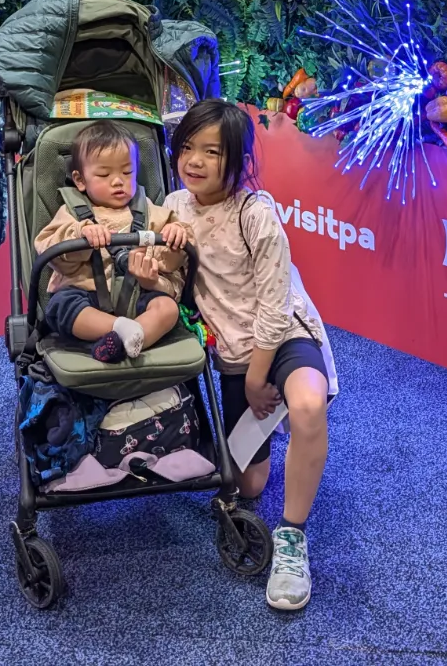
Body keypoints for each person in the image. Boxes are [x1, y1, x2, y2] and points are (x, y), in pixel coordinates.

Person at [164, 99, 336, 613]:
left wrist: (261, 378)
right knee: (250, 484)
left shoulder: (256, 213)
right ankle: (270, 430)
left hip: (282, 338)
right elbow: (170, 283)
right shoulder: (173, 207)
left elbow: (275, 308)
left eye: (212, 151)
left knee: (307, 405)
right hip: (233, 354)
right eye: (187, 147)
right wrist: (162, 259)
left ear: (237, 160)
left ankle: (292, 539)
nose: (195, 160)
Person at [35, 123, 186, 364]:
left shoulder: (150, 210)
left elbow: (173, 259)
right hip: (86, 297)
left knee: (168, 308)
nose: (118, 181)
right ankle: (123, 331)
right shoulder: (71, 212)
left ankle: (124, 340)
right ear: (80, 180)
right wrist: (80, 233)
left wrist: (175, 234)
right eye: (104, 175)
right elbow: (48, 247)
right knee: (61, 306)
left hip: (139, 295)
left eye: (127, 172)